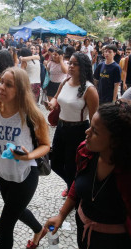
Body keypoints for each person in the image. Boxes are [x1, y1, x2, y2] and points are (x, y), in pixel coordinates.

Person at [45, 100, 131, 249]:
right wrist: (61, 215)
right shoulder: (86, 151)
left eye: (95, 131)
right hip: (84, 234)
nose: (87, 132)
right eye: (90, 126)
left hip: (120, 242)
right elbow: (78, 182)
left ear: (116, 141)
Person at [0, 67, 50, 249]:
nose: (1, 87)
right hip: (3, 174)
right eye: (1, 82)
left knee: (5, 224)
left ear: (20, 90)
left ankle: (38, 231)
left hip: (25, 176)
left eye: (9, 85)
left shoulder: (32, 115)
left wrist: (29, 155)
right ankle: (39, 229)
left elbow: (46, 145)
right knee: (17, 210)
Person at [45, 52, 99, 197]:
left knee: (71, 166)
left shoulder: (90, 89)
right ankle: (74, 186)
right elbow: (56, 98)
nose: (71, 66)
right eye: (70, 63)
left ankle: (73, 192)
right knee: (55, 163)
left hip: (78, 130)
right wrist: (51, 104)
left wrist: (92, 137)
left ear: (84, 67)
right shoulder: (65, 82)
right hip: (61, 127)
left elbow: (95, 117)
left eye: (76, 64)